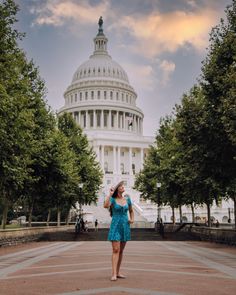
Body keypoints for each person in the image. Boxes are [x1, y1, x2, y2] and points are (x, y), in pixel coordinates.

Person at [104, 181, 134, 281]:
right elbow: (105, 205)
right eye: (120, 186)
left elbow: (131, 210)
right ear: (117, 190)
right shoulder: (112, 199)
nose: (122, 187)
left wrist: (132, 219)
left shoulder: (127, 199)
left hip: (125, 225)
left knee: (121, 251)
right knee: (115, 250)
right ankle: (113, 274)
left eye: (122, 186)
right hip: (115, 225)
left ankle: (118, 272)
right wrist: (110, 195)